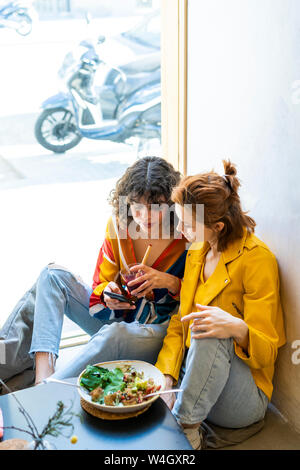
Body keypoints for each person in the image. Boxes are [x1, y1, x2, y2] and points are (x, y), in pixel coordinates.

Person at [0, 156, 187, 387]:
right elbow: (101, 282)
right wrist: (108, 294)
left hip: (155, 333)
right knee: (52, 277)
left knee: (114, 333)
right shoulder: (119, 225)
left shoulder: (187, 234)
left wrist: (169, 282)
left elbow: (200, 300)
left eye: (155, 207)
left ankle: (51, 388)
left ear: (170, 204)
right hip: (118, 319)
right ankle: (43, 377)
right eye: (137, 207)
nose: (144, 216)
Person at [154, 160, 286, 449]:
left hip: (245, 399)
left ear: (218, 226)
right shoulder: (197, 252)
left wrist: (237, 328)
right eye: (179, 220)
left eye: (188, 225)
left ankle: (184, 431)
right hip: (197, 376)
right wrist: (167, 376)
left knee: (212, 327)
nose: (181, 230)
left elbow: (267, 353)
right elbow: (180, 322)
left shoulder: (257, 260)